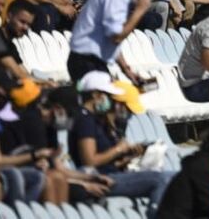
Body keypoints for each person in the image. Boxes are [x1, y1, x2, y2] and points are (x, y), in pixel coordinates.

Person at [69, 71, 173, 217]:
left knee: (173, 175)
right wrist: (119, 149)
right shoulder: (84, 120)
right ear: (96, 95)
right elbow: (89, 161)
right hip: (100, 178)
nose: (109, 100)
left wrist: (128, 157)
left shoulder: (94, 120)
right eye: (107, 95)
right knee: (162, 179)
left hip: (110, 173)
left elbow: (105, 161)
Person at [67, 0, 168, 82]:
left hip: (92, 60)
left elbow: (110, 39)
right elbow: (116, 37)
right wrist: (140, 10)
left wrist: (126, 69)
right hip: (85, 60)